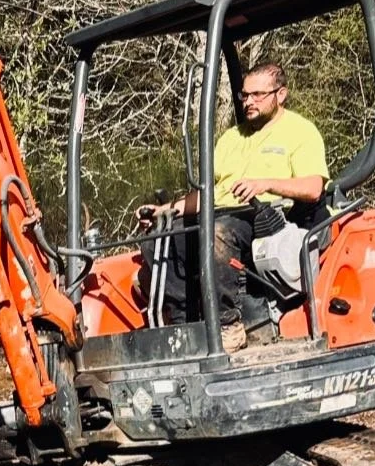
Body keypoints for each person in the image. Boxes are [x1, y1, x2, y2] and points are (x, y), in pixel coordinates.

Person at [138, 63, 327, 351]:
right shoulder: (231, 138)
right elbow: (208, 194)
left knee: (217, 232)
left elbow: (314, 187)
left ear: (281, 94)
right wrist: (167, 210)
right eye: (244, 95)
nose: (248, 101)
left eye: (257, 95)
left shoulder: (300, 131)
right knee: (160, 238)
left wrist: (266, 184)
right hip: (223, 213)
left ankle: (228, 324)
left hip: (272, 218)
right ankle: (183, 324)